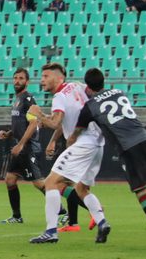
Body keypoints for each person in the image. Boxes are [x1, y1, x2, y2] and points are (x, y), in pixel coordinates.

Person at [71, 68, 146, 246]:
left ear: (88, 88)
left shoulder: (89, 107)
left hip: (128, 147)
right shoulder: (119, 92)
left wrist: (68, 146)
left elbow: (76, 132)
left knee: (142, 193)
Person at [27, 63, 109, 245]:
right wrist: (55, 139)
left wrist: (39, 114)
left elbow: (56, 122)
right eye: (42, 77)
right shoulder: (78, 86)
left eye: (46, 76)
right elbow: (66, 120)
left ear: (59, 78)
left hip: (83, 143)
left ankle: (50, 232)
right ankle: (102, 222)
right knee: (81, 188)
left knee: (50, 182)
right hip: (98, 142)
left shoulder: (59, 97)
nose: (42, 80)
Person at [0, 68, 46, 224]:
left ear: (27, 81)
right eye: (15, 78)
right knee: (10, 180)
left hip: (28, 147)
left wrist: (20, 144)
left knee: (39, 183)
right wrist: (9, 133)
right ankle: (17, 217)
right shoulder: (17, 99)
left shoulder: (28, 99)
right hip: (20, 147)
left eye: (21, 78)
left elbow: (33, 124)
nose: (17, 81)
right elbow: (21, 124)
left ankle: (62, 212)